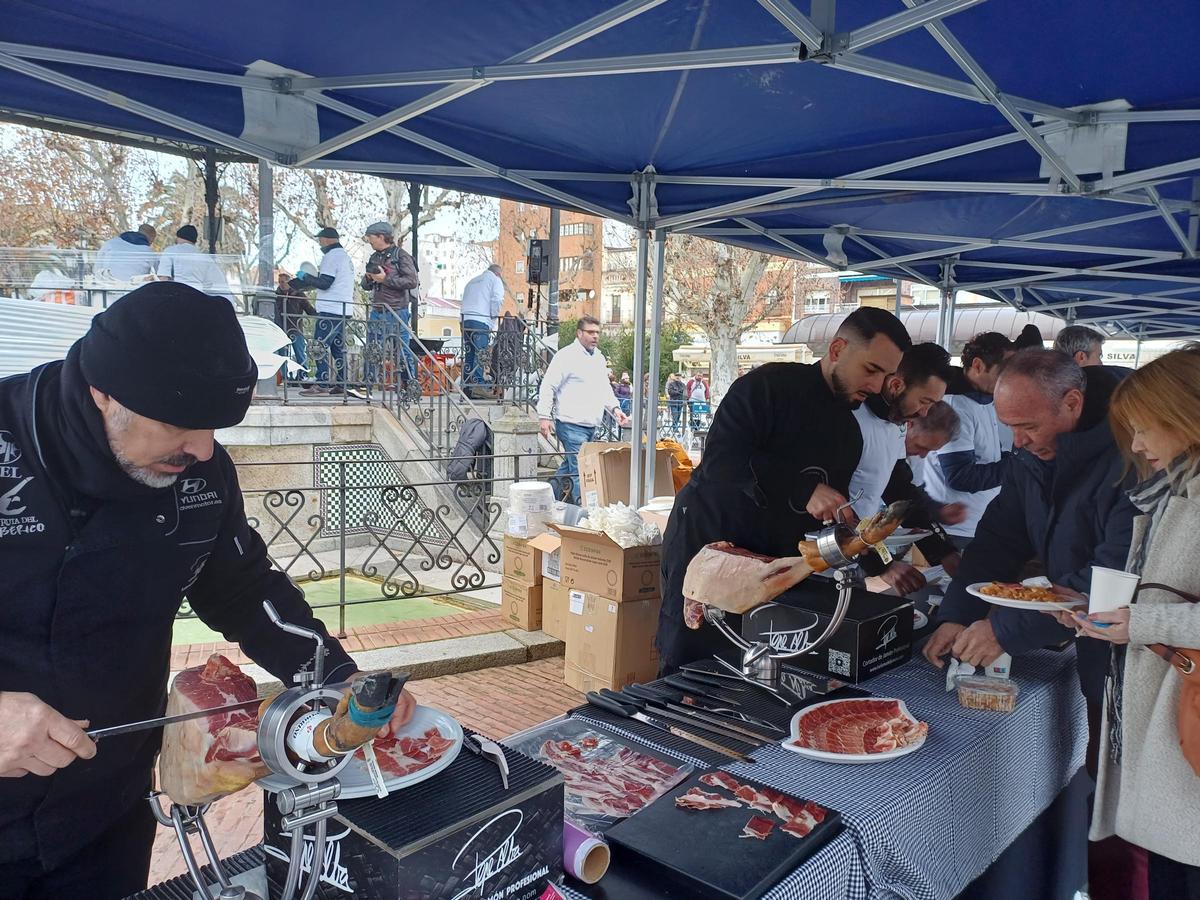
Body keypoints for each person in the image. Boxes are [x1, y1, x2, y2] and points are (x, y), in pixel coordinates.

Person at [0, 282, 414, 899]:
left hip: (106, 808)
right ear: (102, 392)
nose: (203, 449)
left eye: (216, 426)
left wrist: (335, 674)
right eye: (181, 424)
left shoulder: (200, 474)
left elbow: (243, 588)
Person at [922, 348, 1144, 900]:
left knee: (1136, 805)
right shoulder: (1030, 453)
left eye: (1026, 427)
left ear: (1072, 403)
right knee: (1105, 788)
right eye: (1007, 428)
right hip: (1092, 650)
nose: (1016, 442)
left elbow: (1113, 578)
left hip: (1141, 657)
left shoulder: (1132, 453)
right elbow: (1000, 536)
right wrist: (959, 613)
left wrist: (1006, 631)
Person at [656, 307, 913, 673]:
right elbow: (720, 461)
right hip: (710, 547)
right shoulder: (767, 387)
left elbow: (834, 521)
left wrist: (880, 562)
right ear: (838, 349)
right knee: (688, 660)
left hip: (773, 565)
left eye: (886, 376)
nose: (876, 386)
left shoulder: (848, 434)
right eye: (871, 370)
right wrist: (804, 488)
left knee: (755, 667)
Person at [1079, 346, 1200, 898]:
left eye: (1144, 427)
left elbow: (1161, 612)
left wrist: (1143, 623)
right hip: (1169, 727)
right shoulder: (1176, 493)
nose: (1137, 445)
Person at [848, 342, 966, 591]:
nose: (925, 414)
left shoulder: (896, 425)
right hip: (824, 559)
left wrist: (943, 551)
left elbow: (901, 493)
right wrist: (883, 566)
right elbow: (839, 508)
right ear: (896, 385)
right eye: (924, 401)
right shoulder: (852, 420)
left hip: (854, 559)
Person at [921, 332, 1015, 549]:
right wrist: (1017, 465)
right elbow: (961, 476)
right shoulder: (957, 406)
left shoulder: (985, 401)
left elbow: (988, 457)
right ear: (978, 365)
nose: (1009, 379)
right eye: (1004, 372)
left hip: (978, 524)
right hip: (956, 530)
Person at [536, 316, 629, 503]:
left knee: (570, 467)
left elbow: (604, 388)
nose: (595, 336)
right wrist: (544, 416)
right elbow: (548, 385)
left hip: (590, 424)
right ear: (579, 333)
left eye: (597, 333)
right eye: (591, 332)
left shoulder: (599, 358)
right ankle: (585, 510)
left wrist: (615, 408)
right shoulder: (566, 356)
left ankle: (542, 498)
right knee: (581, 470)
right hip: (571, 424)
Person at [290, 227, 355, 395]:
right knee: (337, 348)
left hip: (330, 309)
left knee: (318, 346)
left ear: (326, 239)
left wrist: (305, 278)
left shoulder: (331, 256)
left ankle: (322, 383)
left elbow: (325, 283)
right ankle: (342, 383)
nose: (319, 244)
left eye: (320, 240)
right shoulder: (344, 257)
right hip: (343, 308)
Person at [361, 222, 420, 394]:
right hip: (378, 309)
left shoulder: (401, 256)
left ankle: (409, 385)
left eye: (371, 237)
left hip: (397, 310)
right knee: (372, 348)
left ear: (381, 236)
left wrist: (384, 279)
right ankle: (367, 384)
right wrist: (369, 278)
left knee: (402, 350)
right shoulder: (374, 257)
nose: (369, 241)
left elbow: (411, 281)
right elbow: (365, 286)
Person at [157, 225, 237, 305]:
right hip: (199, 298)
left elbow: (163, 278)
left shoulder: (170, 251)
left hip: (178, 297)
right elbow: (215, 282)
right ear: (194, 240)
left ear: (178, 237)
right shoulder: (204, 257)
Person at [460, 264, 504, 390]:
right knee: (481, 354)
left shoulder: (471, 282)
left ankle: (467, 384)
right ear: (498, 274)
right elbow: (497, 299)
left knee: (469, 354)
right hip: (481, 320)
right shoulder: (495, 280)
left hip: (466, 320)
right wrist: (493, 317)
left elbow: (463, 302)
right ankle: (478, 384)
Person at [92, 224, 158, 299]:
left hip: (107, 293)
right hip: (133, 296)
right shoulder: (149, 252)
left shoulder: (111, 243)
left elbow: (96, 269)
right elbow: (159, 276)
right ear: (151, 238)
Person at [905, 400, 961, 488]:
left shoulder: (914, 455)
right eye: (920, 446)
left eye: (929, 450)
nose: (923, 455)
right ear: (908, 424)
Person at [275, 268, 316, 381]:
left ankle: (302, 376)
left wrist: (317, 314)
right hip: (281, 328)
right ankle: (284, 377)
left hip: (295, 328)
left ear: (289, 282)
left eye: (283, 282)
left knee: (299, 352)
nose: (281, 284)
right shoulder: (276, 295)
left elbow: (308, 308)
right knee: (282, 355)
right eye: (280, 282)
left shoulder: (298, 294)